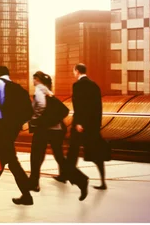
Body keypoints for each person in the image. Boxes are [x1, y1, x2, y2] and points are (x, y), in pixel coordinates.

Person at [0, 66, 33, 205]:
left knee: (11, 160)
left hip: (2, 126)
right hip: (14, 127)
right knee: (6, 155)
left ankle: (27, 192)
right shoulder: (15, 87)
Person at [61, 63, 107, 200]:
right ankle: (103, 181)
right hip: (93, 126)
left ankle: (69, 177)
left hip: (80, 126)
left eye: (73, 71)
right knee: (97, 154)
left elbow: (79, 106)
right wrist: (96, 125)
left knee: (72, 152)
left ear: (76, 71)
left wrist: (80, 123)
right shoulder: (94, 86)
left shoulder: (77, 86)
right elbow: (98, 107)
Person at [28, 71, 66, 192]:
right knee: (58, 153)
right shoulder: (49, 91)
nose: (32, 81)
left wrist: (35, 118)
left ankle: (34, 183)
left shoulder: (39, 89)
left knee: (36, 155)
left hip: (43, 128)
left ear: (36, 79)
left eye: (33, 79)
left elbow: (41, 105)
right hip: (56, 128)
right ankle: (65, 175)